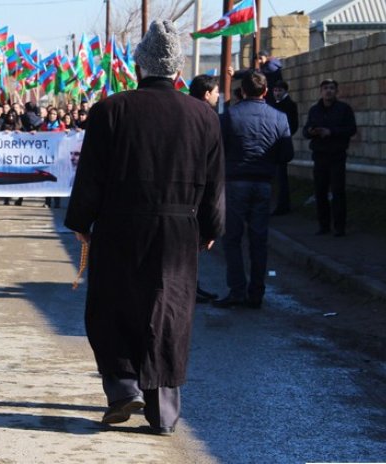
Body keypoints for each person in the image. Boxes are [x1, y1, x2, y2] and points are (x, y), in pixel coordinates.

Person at [64, 20, 224, 436]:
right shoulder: (204, 116)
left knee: (113, 305)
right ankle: (163, 412)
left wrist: (80, 221)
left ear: (138, 66)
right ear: (179, 71)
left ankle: (123, 390)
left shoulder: (110, 110)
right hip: (178, 231)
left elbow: (91, 176)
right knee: (168, 313)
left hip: (119, 225)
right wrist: (211, 226)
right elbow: (214, 181)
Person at [213, 70, 293, 310]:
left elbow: (218, 150)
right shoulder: (280, 117)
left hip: (235, 182)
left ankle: (237, 290)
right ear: (266, 91)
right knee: (259, 239)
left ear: (242, 91)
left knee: (232, 238)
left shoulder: (229, 116)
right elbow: (287, 154)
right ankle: (256, 292)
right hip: (264, 183)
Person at [303, 79, 357, 237]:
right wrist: (311, 132)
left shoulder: (344, 109)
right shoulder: (314, 110)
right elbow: (305, 131)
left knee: (338, 191)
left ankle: (340, 227)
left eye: (332, 88)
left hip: (337, 155)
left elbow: (351, 129)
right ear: (321, 91)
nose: (328, 91)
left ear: (336, 91)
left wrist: (331, 132)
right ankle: (323, 225)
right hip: (319, 155)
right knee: (320, 191)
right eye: (325, 88)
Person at [187, 74, 222, 304]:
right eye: (216, 92)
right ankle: (190, 287)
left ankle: (193, 285)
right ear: (207, 93)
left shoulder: (185, 112)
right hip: (196, 189)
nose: (218, 96)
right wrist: (214, 226)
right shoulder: (206, 117)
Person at [268, 80, 299, 216]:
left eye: (279, 90)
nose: (277, 93)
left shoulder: (289, 105)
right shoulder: (274, 104)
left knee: (281, 177)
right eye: (275, 90)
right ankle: (279, 204)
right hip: (275, 145)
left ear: (285, 91)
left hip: (281, 145)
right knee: (277, 177)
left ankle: (283, 205)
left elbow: (293, 125)